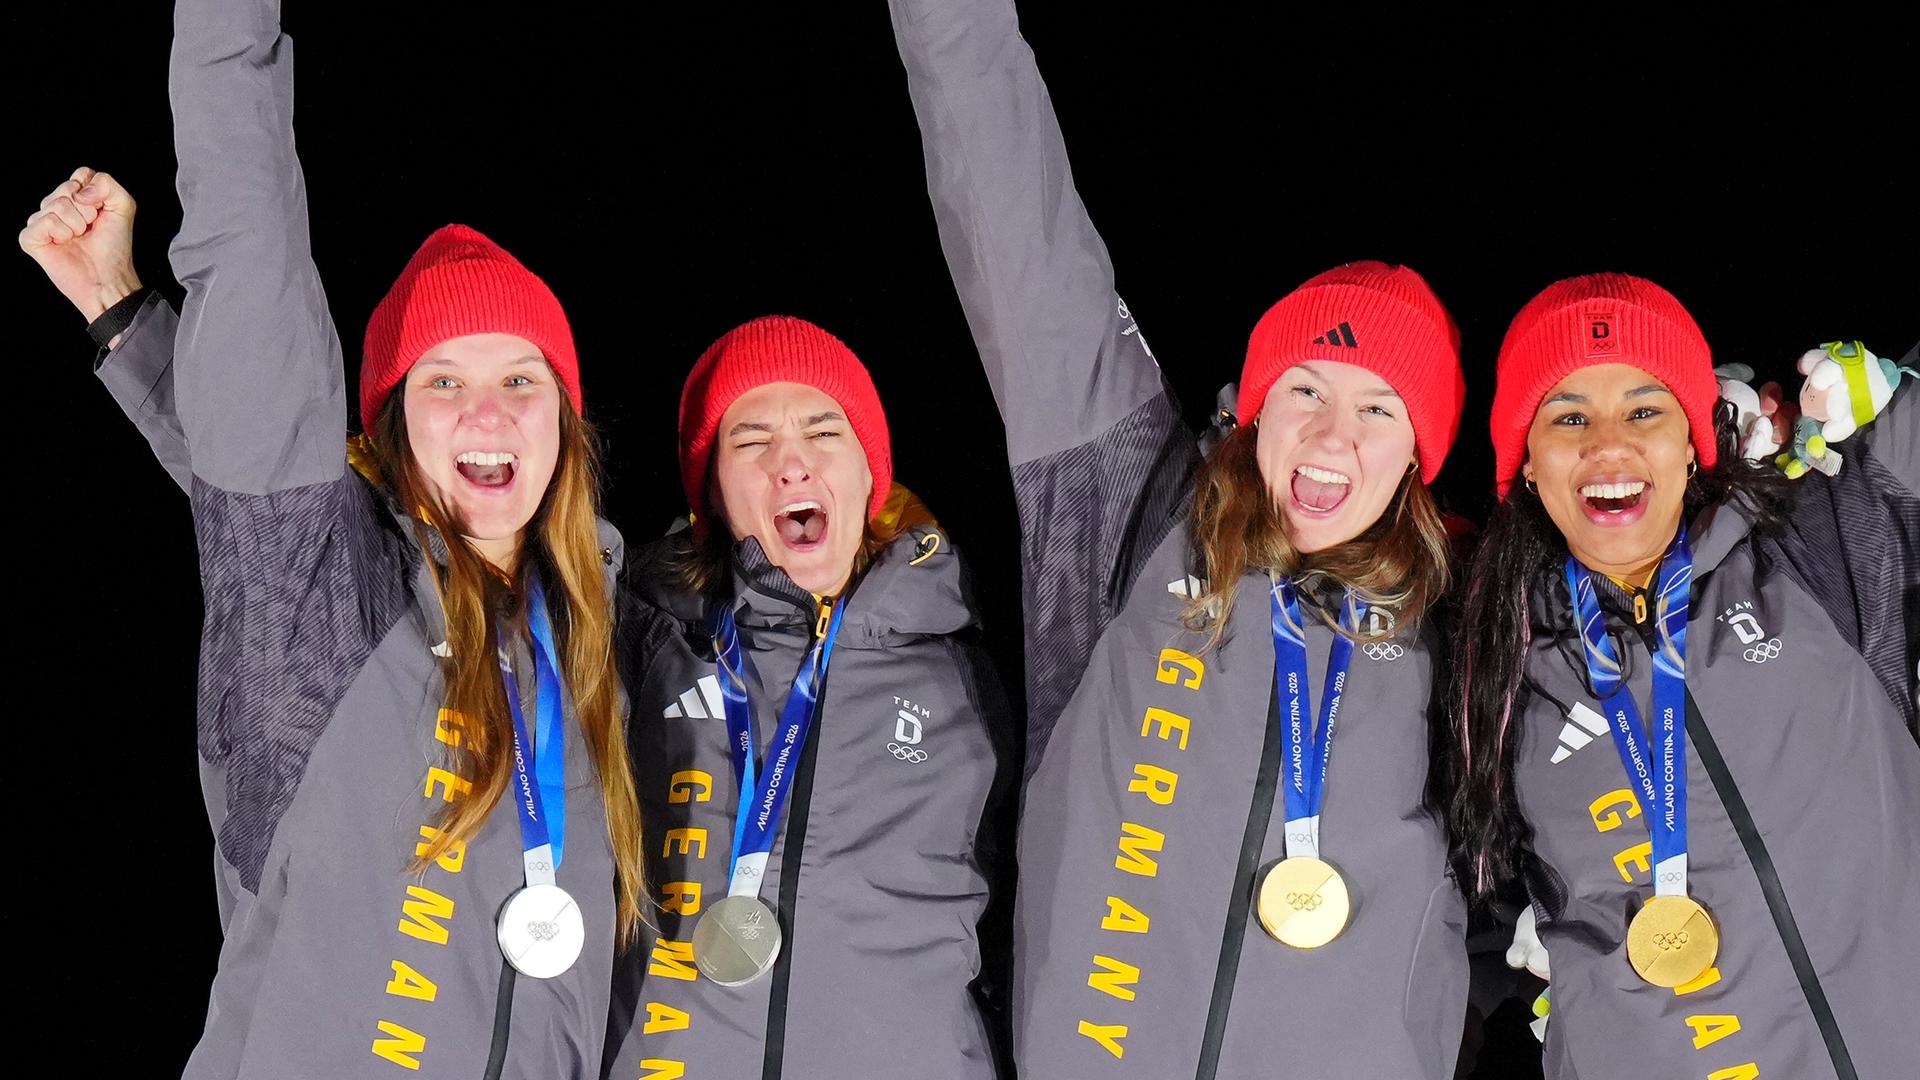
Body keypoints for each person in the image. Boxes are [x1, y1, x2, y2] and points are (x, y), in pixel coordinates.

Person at [21, 1, 646, 1074]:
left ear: (566, 427)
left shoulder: (614, 654)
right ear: (394, 436)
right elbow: (252, 265)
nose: (487, 413)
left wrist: (129, 324)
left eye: (519, 380)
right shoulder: (329, 621)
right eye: (443, 382)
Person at [887, 1, 1471, 1075]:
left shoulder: (1476, 610)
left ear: (1418, 455)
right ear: (1252, 409)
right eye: (1305, 387)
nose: (1334, 432)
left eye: (1380, 409)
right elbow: (1022, 230)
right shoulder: (1138, 513)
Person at [1443, 272, 1920, 1079]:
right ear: (1525, 466)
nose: (1607, 445)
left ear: (1696, 437)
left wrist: (1899, 398)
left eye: (1644, 409)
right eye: (1567, 416)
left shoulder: (1814, 548)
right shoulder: (1480, 661)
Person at [600, 315, 1018, 1079]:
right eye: (751, 441)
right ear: (714, 496)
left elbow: (1015, 929)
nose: (791, 464)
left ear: (870, 475)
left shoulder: (965, 669)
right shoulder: (639, 639)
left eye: (824, 433)